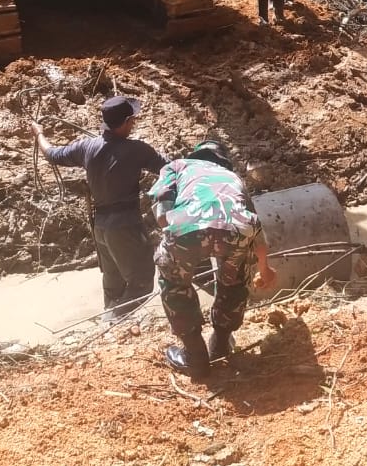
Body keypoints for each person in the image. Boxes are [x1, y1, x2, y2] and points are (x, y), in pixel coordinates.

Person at [149, 140, 276, 380]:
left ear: (196, 156)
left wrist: (180, 242)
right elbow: (254, 228)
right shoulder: (232, 177)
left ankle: (195, 356)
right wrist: (265, 268)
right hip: (236, 230)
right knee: (235, 281)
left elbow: (162, 212)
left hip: (186, 227)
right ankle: (220, 343)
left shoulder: (177, 166)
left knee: (174, 283)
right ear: (222, 161)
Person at [31, 96, 166, 318]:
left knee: (113, 282)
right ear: (125, 122)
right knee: (141, 282)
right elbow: (171, 168)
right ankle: (113, 323)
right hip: (125, 226)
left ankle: (110, 319)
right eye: (132, 121)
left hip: (101, 227)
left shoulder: (86, 147)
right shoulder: (137, 150)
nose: (133, 125)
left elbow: (52, 154)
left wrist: (38, 133)